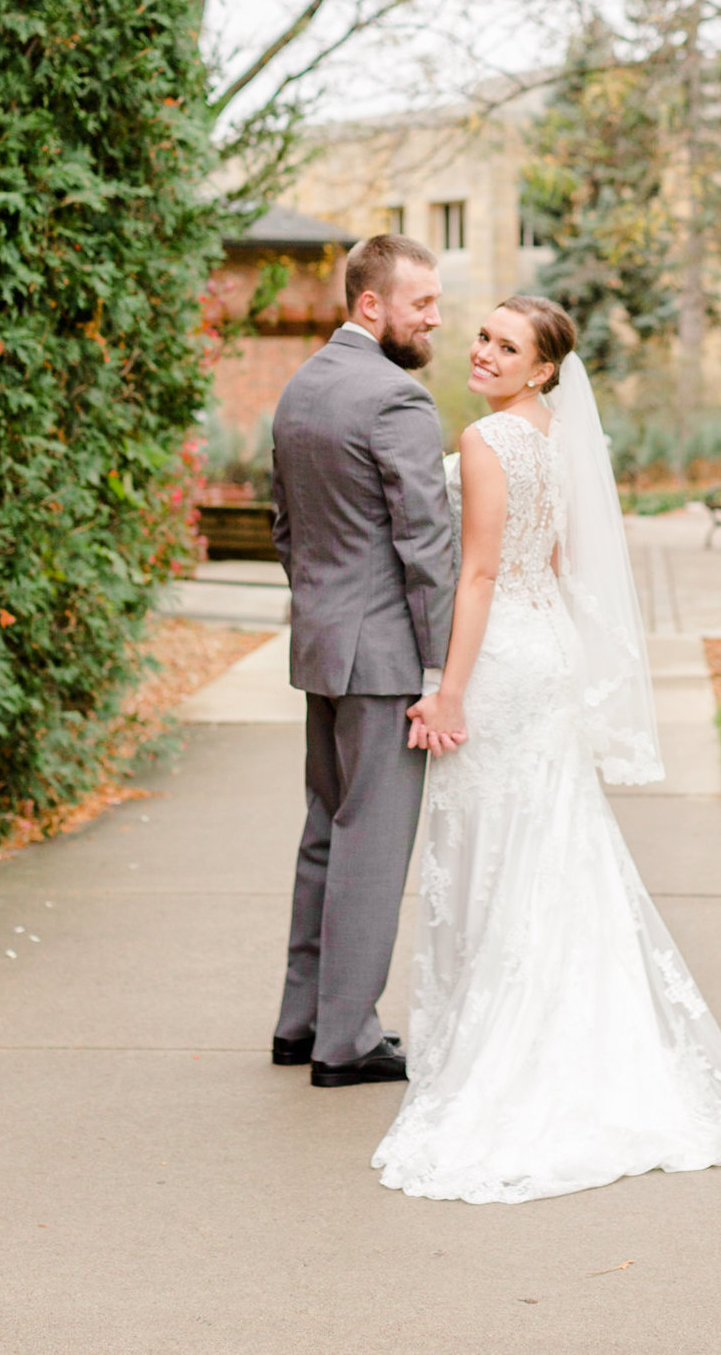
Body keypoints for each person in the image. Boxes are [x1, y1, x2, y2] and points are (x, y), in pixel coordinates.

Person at [373, 295, 721, 1201]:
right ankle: (571, 1033)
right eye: (485, 338)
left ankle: (503, 1051)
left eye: (508, 347)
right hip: (548, 653)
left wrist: (448, 686)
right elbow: (566, 564)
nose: (485, 353)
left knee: (496, 849)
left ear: (544, 368)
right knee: (549, 844)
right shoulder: (560, 439)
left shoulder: (489, 442)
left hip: (501, 659)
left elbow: (482, 571)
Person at [269, 234, 459, 1088]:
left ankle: (300, 1023)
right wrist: (444, 673)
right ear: (372, 304)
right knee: (372, 849)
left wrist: (323, 612)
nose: (436, 320)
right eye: (423, 304)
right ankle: (345, 1043)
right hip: (383, 661)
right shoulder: (397, 400)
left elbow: (286, 530)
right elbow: (426, 545)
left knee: (325, 835)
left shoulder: (302, 386)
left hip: (321, 647)